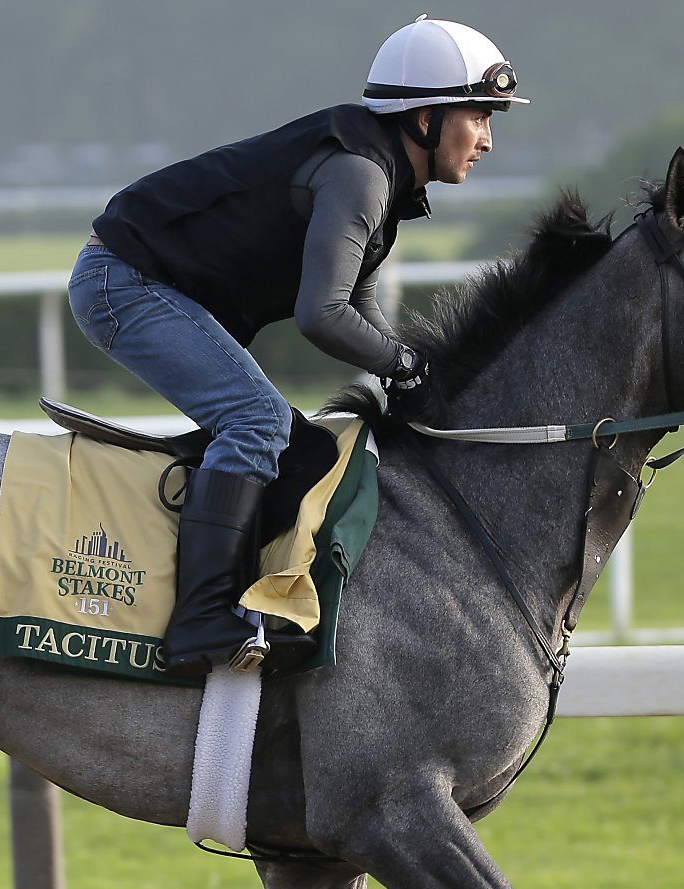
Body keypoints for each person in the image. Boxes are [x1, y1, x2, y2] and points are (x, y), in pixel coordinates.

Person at [69, 15, 526, 677]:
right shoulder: (360, 175)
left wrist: (405, 368)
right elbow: (323, 315)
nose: (486, 138)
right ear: (425, 117)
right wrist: (403, 362)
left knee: (303, 444)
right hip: (124, 282)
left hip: (150, 281)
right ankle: (199, 621)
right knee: (254, 421)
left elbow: (357, 303)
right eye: (478, 116)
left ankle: (254, 599)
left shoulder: (382, 174)